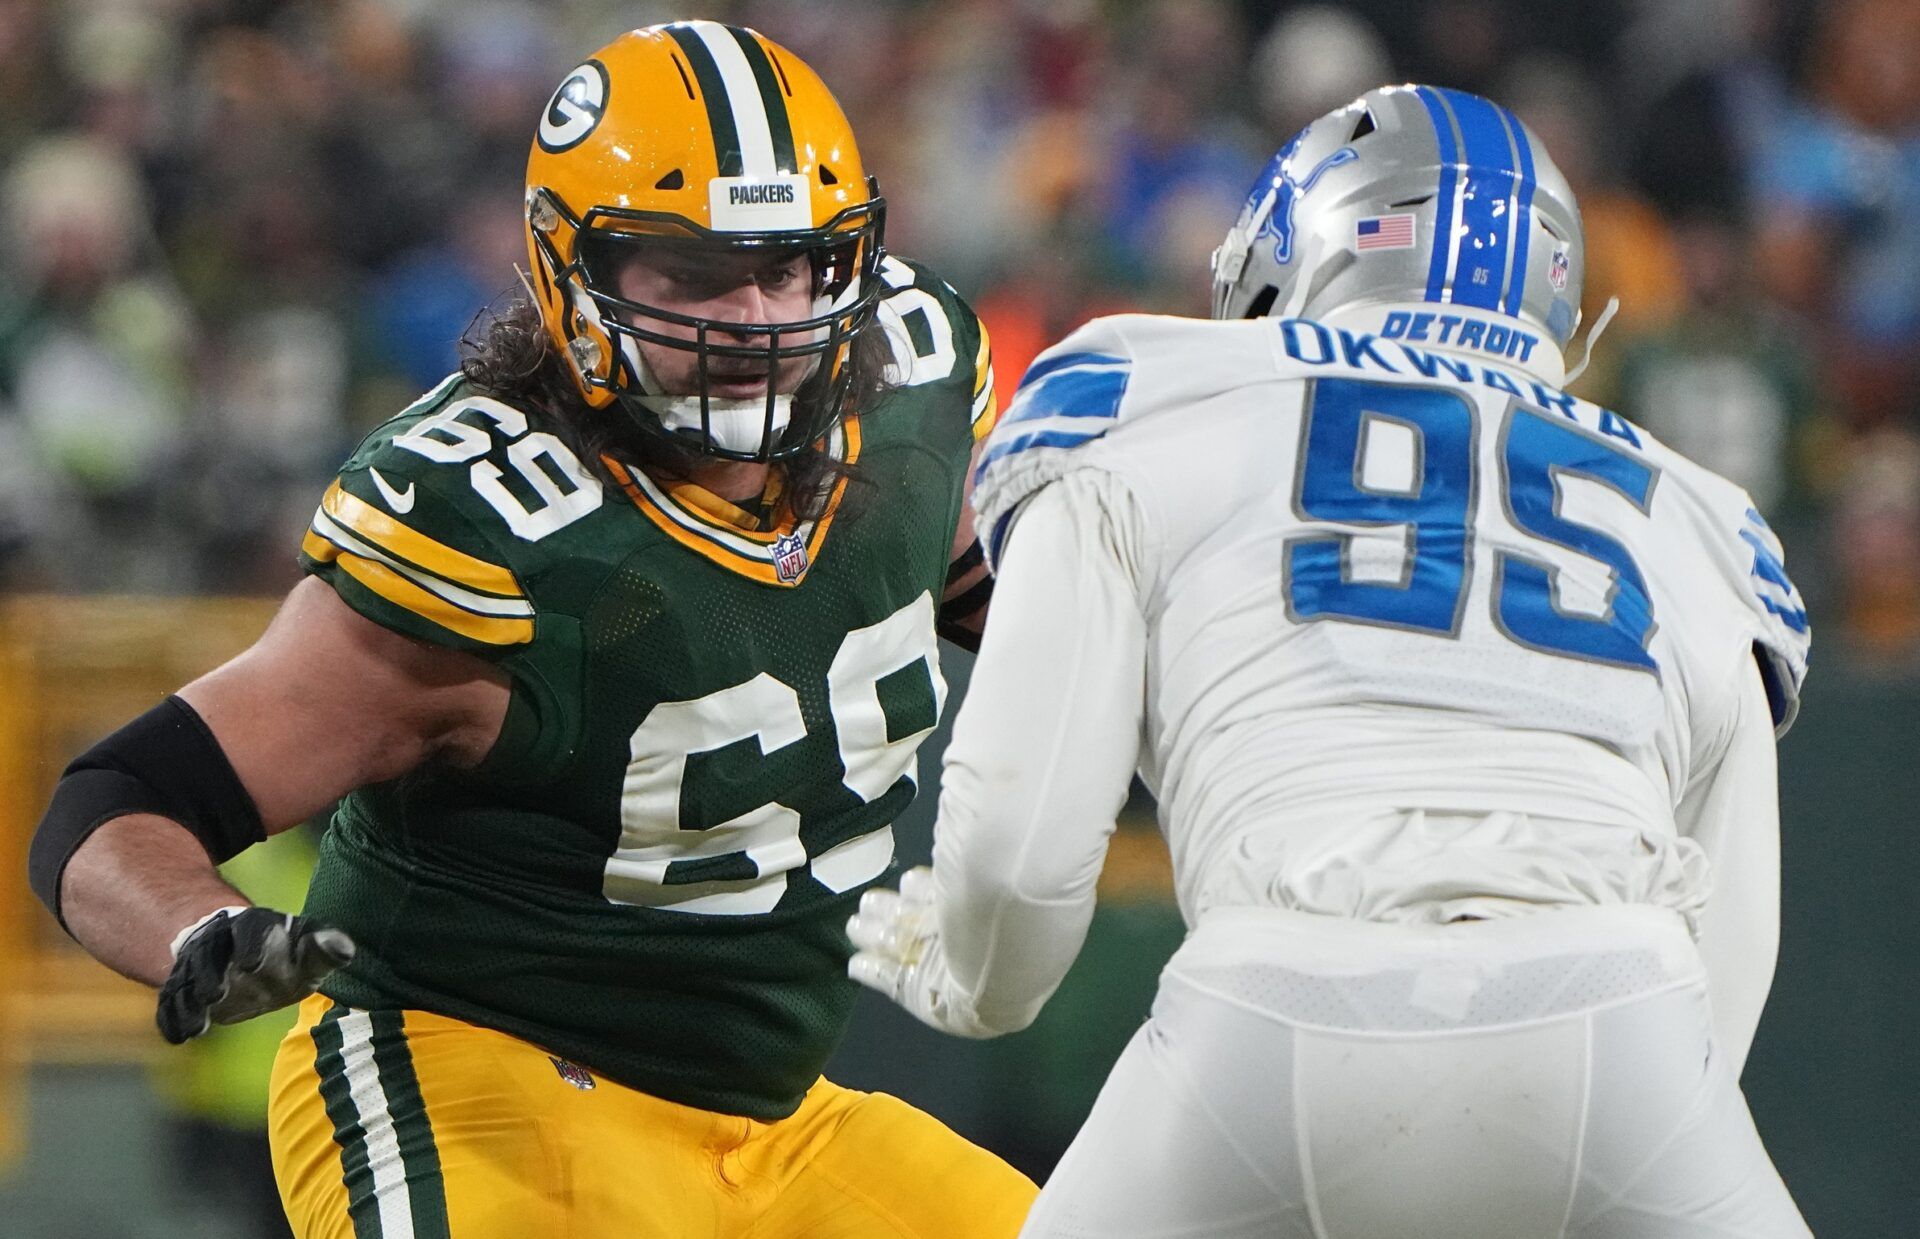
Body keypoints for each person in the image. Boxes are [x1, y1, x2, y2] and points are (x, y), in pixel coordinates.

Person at [28, 21, 1032, 1238]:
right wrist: (196, 924)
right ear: (573, 274)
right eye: (693, 272)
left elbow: (959, 576)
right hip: (477, 1080)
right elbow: (116, 796)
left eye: (789, 265)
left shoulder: (911, 390)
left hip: (766, 1118)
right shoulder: (492, 529)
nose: (759, 318)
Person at [848, 84, 1815, 1238]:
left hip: (1280, 1004)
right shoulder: (1700, 515)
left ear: (1306, 243)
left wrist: (978, 976)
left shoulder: (1145, 391)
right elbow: (1731, 954)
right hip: (1625, 1015)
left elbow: (1020, 850)